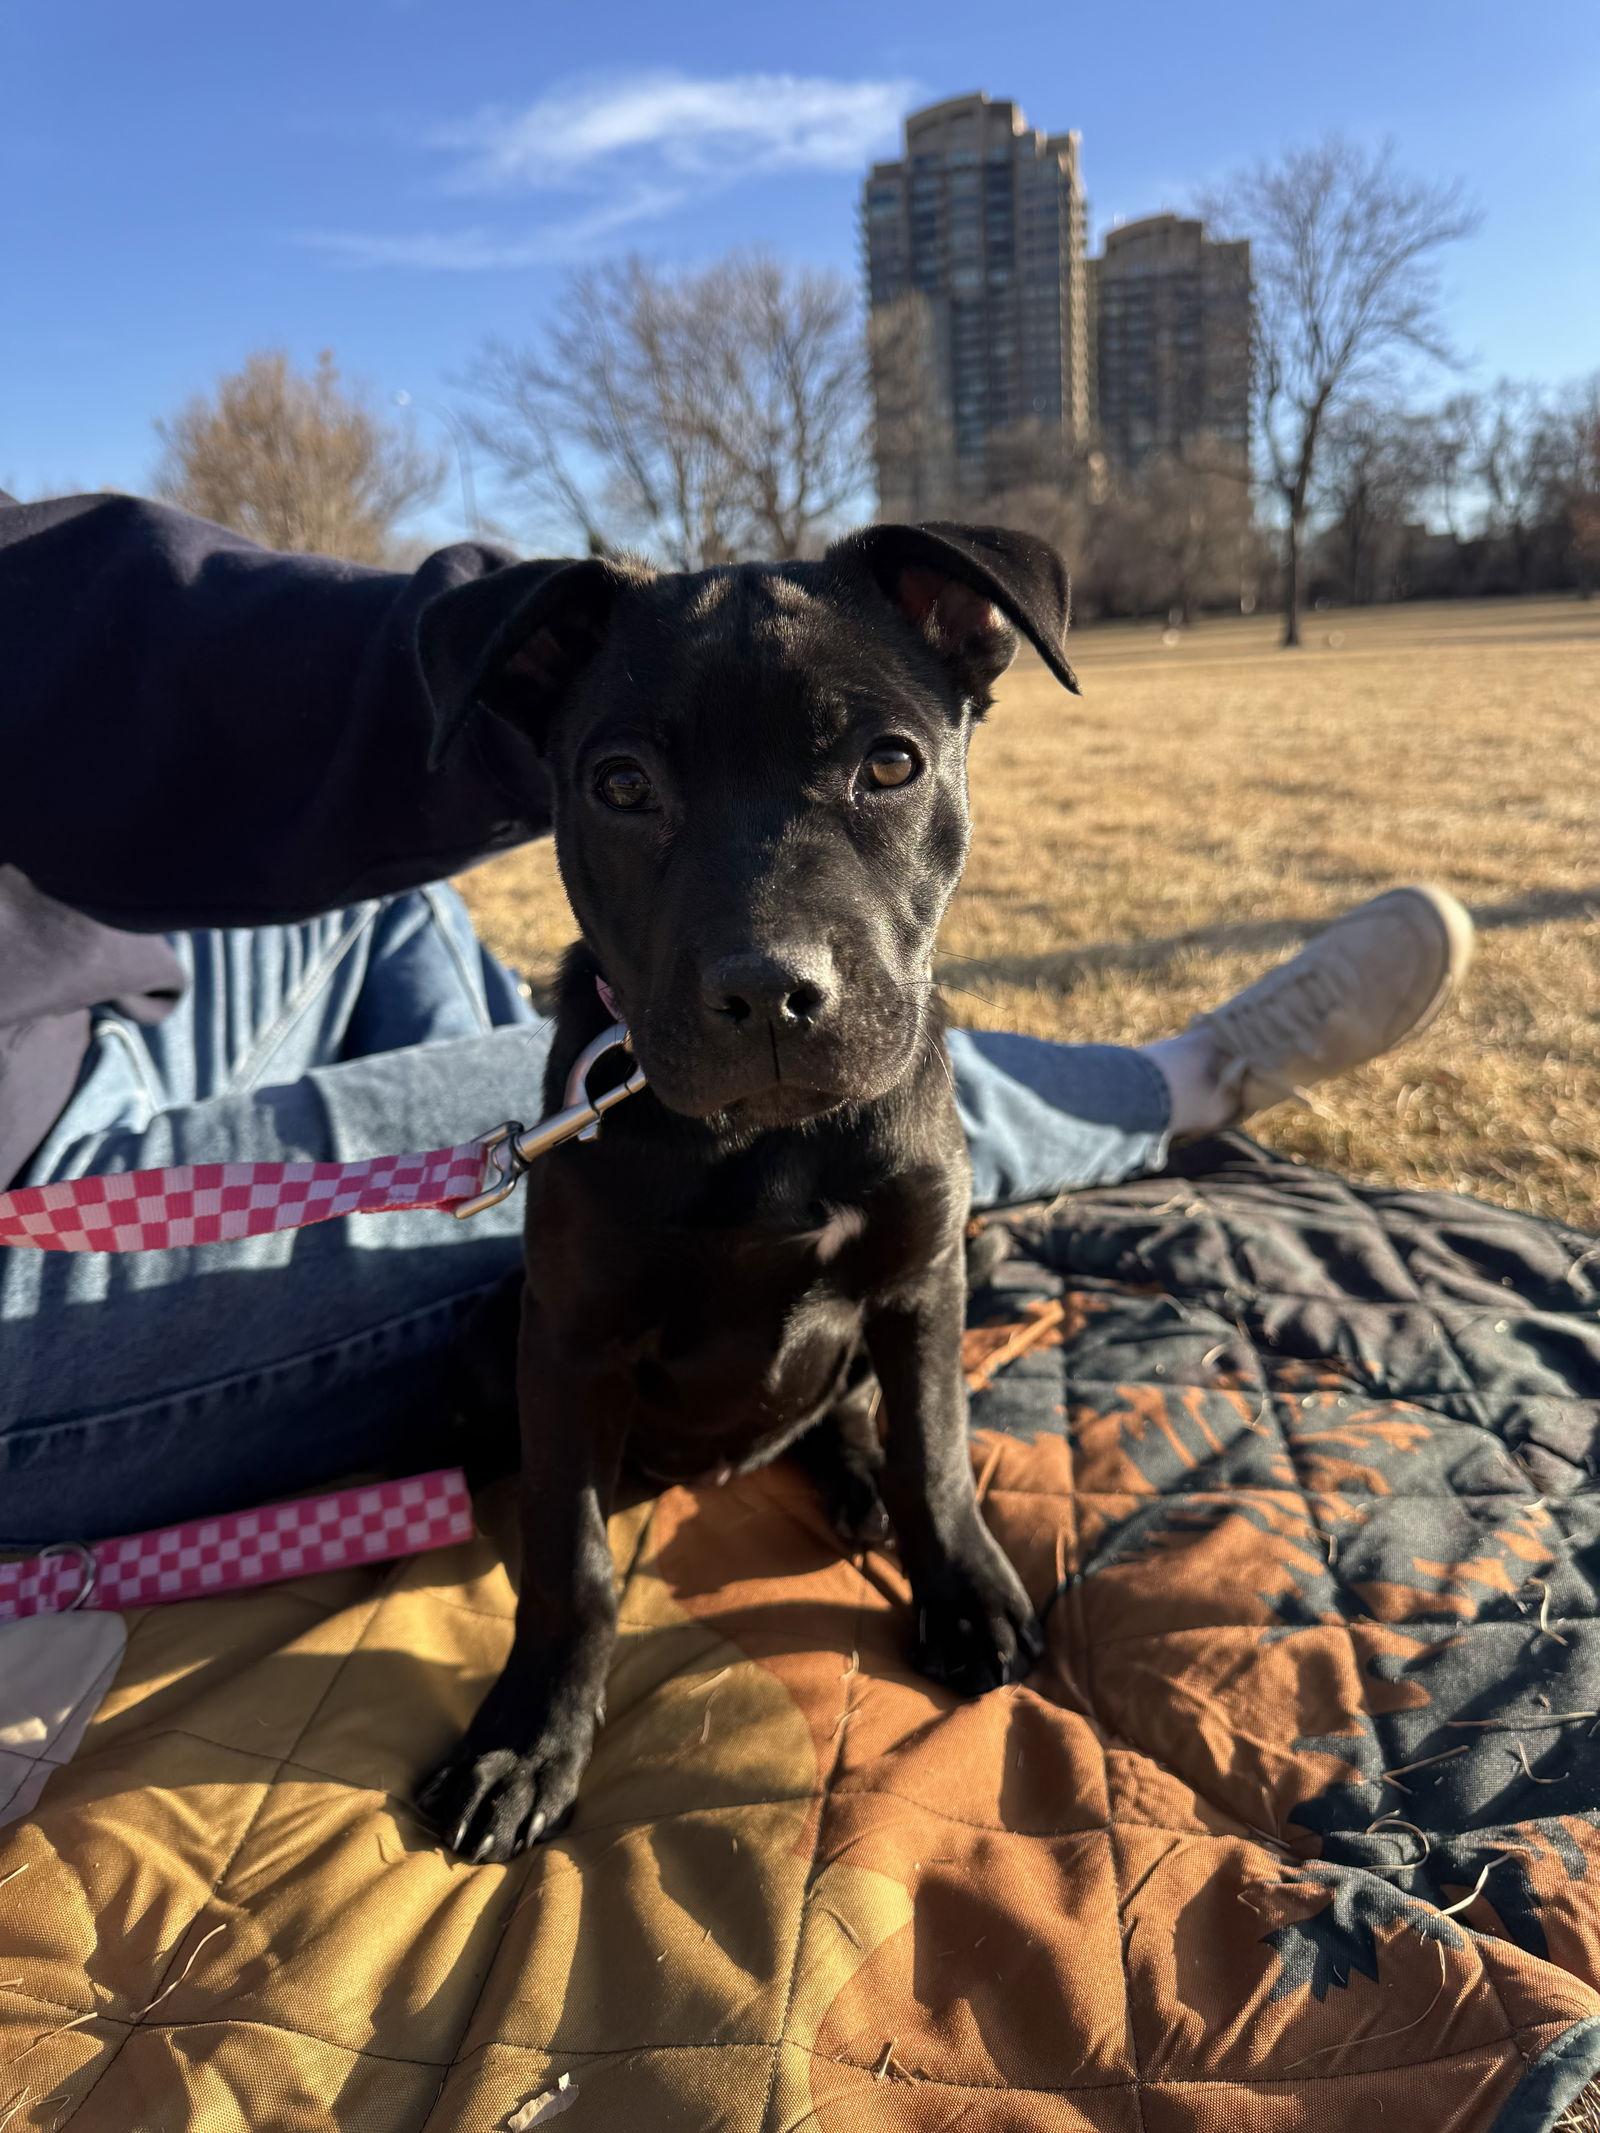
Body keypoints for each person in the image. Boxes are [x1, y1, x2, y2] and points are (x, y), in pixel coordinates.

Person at [0, 492, 1474, 1548]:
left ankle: (561, 1103)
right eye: (628, 782)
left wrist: (649, 654)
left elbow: (89, 617)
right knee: (593, 1208)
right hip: (33, 1222)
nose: (778, 947)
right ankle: (1173, 1081)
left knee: (387, 897)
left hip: (79, 1002)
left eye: (883, 765)